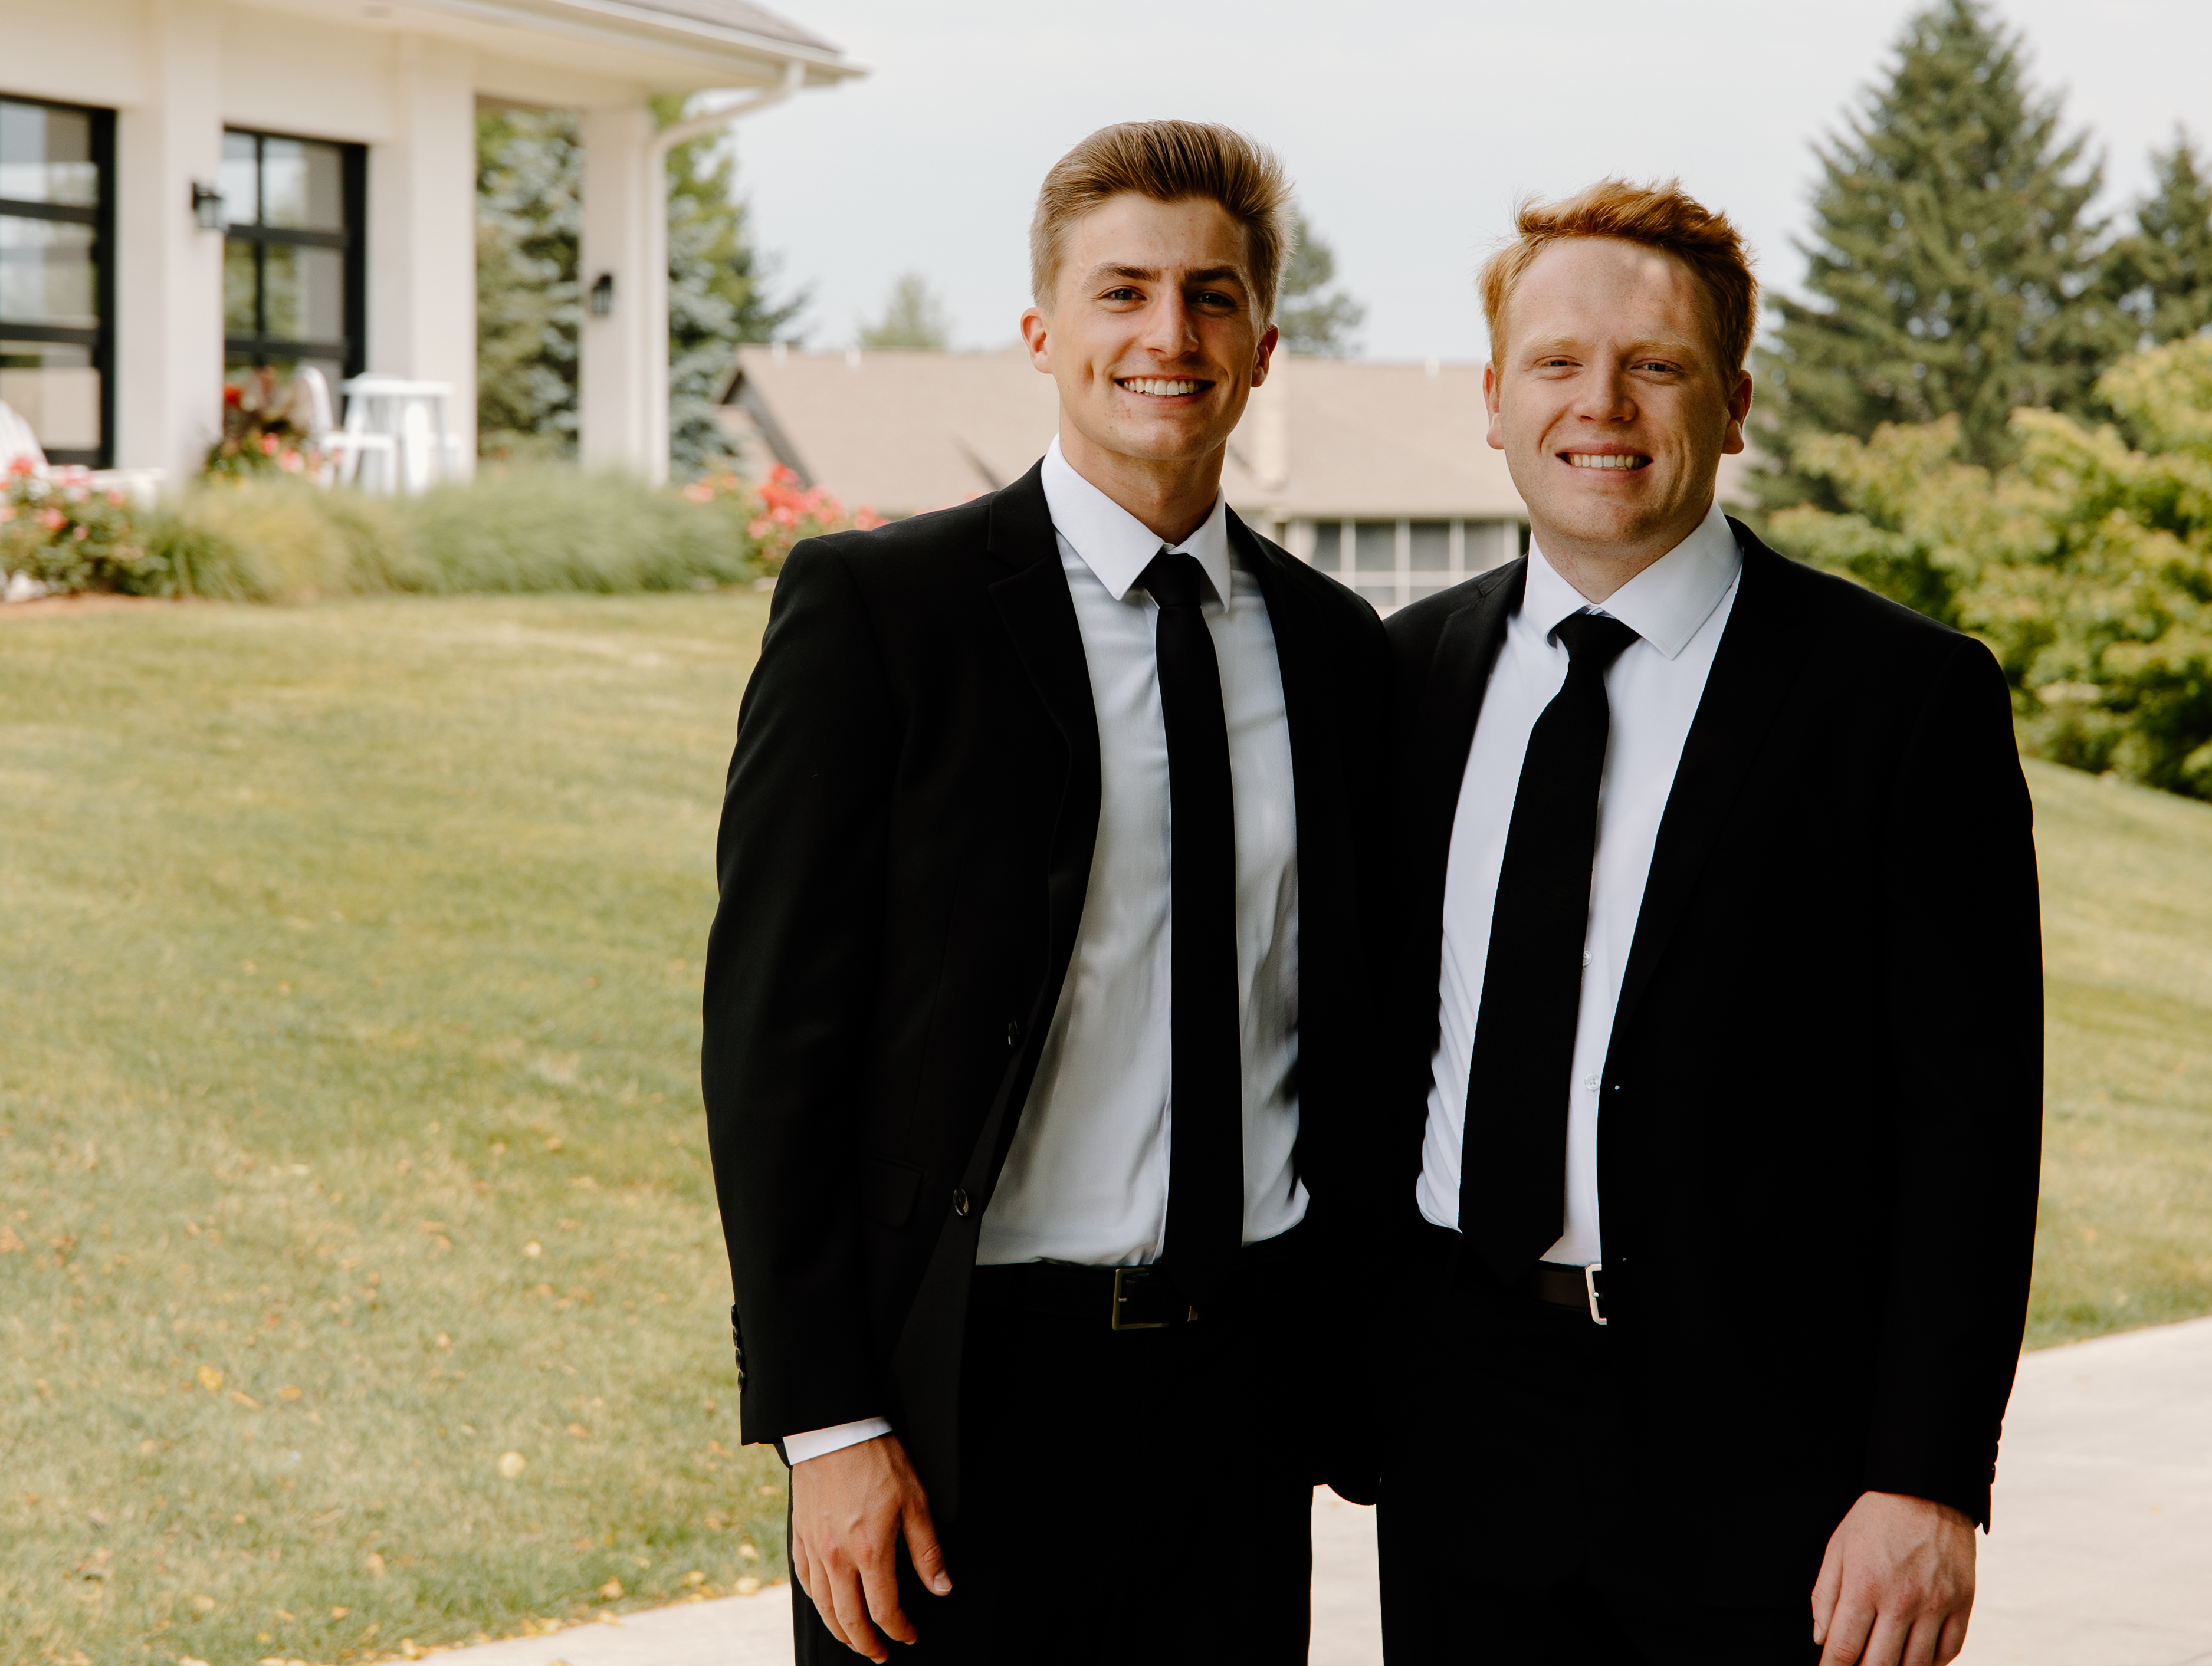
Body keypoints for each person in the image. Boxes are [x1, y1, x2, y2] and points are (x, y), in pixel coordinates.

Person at [703, 120, 1387, 1664]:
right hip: (960, 1392)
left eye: (1212, 297)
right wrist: (827, 1422)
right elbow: (770, 1049)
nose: (1168, 335)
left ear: (1264, 348)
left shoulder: (1337, 652)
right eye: (1121, 292)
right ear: (1040, 333)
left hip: (1238, 1394)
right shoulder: (882, 613)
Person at [1371, 181, 2042, 1665]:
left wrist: (1928, 1474)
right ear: (1493, 400)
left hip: (1776, 1458)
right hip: (1462, 1429)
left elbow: (1973, 1126)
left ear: (1733, 404)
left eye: (1655, 364)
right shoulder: (1404, 676)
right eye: (1556, 362)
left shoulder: (1901, 699)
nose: (1600, 404)